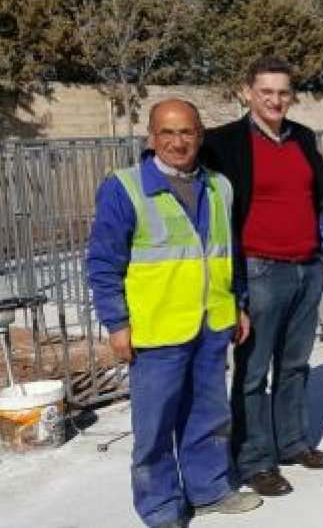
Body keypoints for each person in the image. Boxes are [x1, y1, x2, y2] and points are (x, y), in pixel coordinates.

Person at [86, 99, 262, 527]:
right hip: (156, 327)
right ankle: (161, 507)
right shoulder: (125, 187)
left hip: (210, 324)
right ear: (152, 138)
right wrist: (117, 323)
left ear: (200, 136)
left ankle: (209, 489)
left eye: (186, 132)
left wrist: (237, 302)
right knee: (154, 426)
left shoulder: (220, 186)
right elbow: (103, 260)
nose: (178, 142)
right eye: (168, 133)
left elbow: (228, 253)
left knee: (208, 415)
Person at [201, 57, 323, 497]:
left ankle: (293, 442)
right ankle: (254, 460)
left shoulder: (300, 137)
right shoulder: (223, 143)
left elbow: (320, 198)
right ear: (248, 92)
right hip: (261, 269)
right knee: (253, 371)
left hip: (306, 267)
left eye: (283, 92)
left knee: (296, 364)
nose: (275, 100)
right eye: (266, 91)